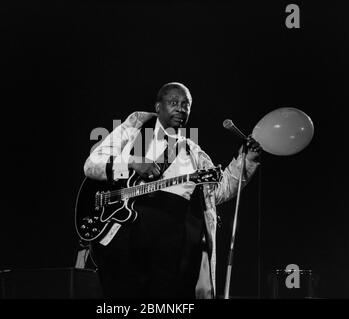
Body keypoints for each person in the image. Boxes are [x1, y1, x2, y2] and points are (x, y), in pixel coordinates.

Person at [83, 82, 262, 299]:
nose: (181, 109)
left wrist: (248, 160)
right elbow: (92, 164)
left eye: (186, 104)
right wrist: (133, 162)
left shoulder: (192, 150)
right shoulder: (134, 133)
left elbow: (219, 190)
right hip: (131, 234)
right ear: (158, 107)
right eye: (174, 103)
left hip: (179, 241)